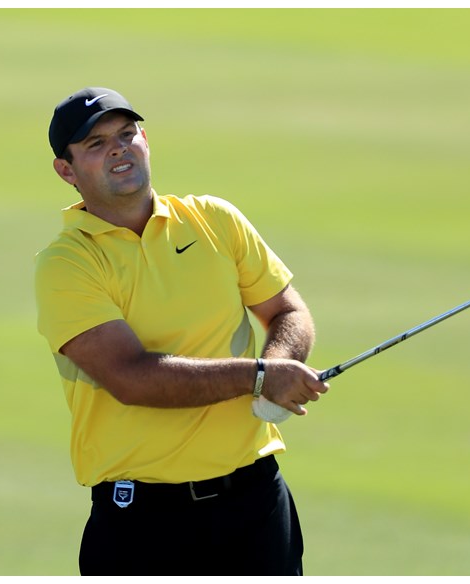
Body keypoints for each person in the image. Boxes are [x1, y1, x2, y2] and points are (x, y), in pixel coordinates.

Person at [34, 86, 329, 576]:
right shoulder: (67, 265)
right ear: (66, 170)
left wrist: (278, 365)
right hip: (145, 522)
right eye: (96, 144)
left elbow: (287, 311)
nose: (119, 148)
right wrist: (260, 375)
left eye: (127, 134)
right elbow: (130, 378)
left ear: (145, 140)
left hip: (255, 501)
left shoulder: (214, 219)